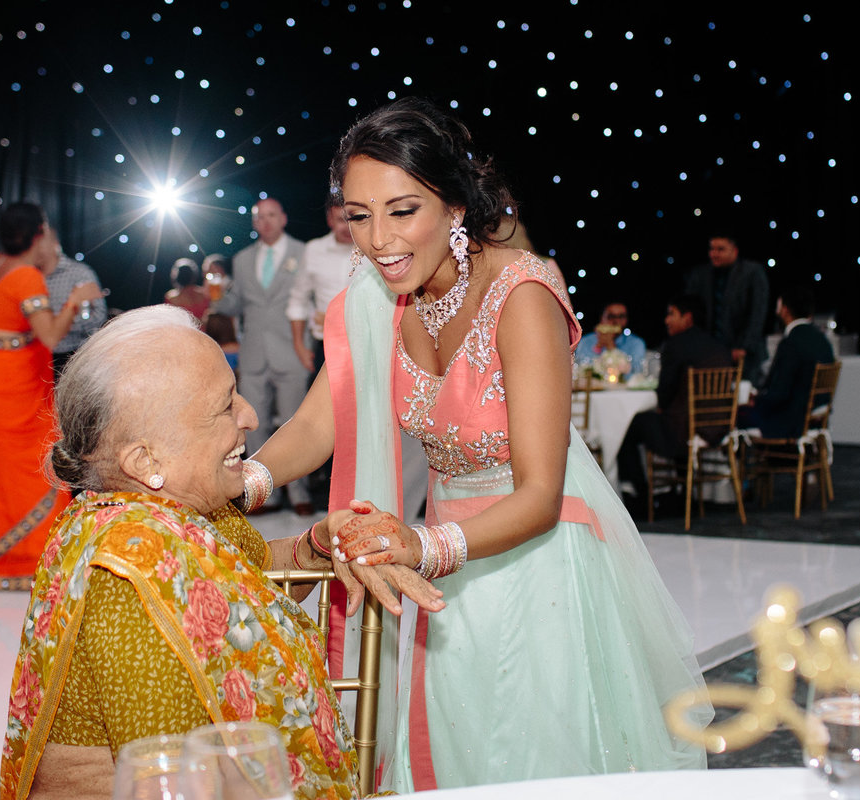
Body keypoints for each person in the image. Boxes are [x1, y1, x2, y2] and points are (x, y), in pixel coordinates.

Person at [246, 98, 709, 791]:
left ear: (456, 208)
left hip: (536, 558)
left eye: (403, 211)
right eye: (358, 216)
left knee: (527, 758)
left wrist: (425, 547)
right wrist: (238, 481)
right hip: (441, 567)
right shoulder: (379, 294)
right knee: (455, 747)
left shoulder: (521, 292)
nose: (377, 241)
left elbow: (541, 495)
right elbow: (319, 423)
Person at [0, 305, 440, 800]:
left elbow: (246, 570)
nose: (251, 415)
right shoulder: (126, 586)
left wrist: (316, 545)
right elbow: (185, 784)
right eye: (225, 406)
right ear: (146, 460)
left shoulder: (173, 513)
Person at [0, 202, 102, 590]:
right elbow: (49, 336)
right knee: (37, 470)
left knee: (2, 476)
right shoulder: (26, 275)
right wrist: (76, 300)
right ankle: (31, 562)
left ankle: (5, 562)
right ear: (39, 232)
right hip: (14, 387)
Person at [214, 197, 313, 516]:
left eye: (271, 215)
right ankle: (262, 494)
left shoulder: (304, 251)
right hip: (254, 354)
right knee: (253, 427)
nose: (266, 221)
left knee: (296, 425)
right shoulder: (242, 259)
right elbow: (235, 304)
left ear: (283, 218)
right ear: (254, 223)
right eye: (259, 217)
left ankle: (299, 492)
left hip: (292, 351)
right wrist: (214, 298)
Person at [616, 295, 732, 502]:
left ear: (687, 318)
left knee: (633, 424)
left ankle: (639, 494)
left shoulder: (676, 345)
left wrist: (662, 405)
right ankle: (681, 492)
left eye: (672, 314)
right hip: (718, 428)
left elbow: (664, 393)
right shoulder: (718, 346)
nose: (666, 320)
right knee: (667, 417)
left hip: (683, 433)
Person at [740, 285, 836, 438]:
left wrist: (755, 400)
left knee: (738, 415)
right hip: (814, 416)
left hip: (790, 421)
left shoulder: (791, 343)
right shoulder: (822, 340)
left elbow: (780, 393)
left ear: (784, 310)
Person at [684, 233, 768, 383]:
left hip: (743, 355)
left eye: (720, 249)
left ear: (734, 251)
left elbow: (757, 313)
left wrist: (744, 347)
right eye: (712, 249)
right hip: (711, 354)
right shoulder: (701, 274)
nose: (714, 254)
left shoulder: (752, 272)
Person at [288, 199, 357, 376]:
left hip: (367, 344)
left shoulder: (375, 249)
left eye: (353, 219)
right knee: (325, 403)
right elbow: (298, 299)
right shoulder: (314, 250)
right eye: (341, 220)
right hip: (325, 345)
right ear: (330, 220)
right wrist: (299, 346)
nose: (347, 227)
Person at [41, 234, 107, 377]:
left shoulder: (79, 273)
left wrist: (59, 324)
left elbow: (99, 316)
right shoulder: (28, 275)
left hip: (72, 356)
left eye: (41, 242)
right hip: (36, 358)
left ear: (54, 243)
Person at [574, 301, 647, 378]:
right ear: (602, 318)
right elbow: (582, 371)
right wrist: (599, 346)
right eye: (611, 316)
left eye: (621, 316)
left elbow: (637, 375)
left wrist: (611, 347)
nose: (616, 321)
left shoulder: (636, 343)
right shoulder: (586, 341)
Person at [163, 257, 212, 322]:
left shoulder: (171, 297)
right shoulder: (204, 293)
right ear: (194, 276)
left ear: (176, 276)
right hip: (203, 331)